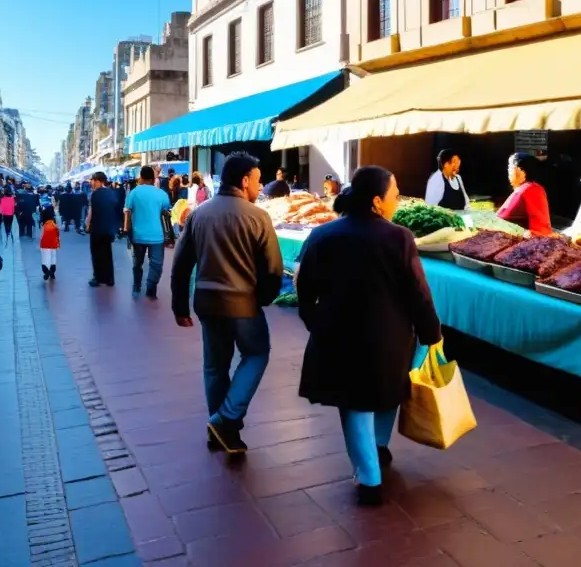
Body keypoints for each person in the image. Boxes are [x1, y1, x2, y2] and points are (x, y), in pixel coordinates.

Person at [296, 166, 442, 506]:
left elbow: (304, 288)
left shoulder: (323, 235)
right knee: (387, 392)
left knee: (355, 403)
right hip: (389, 337)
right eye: (394, 195)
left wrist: (315, 322)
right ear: (377, 201)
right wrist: (430, 331)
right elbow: (418, 292)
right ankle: (377, 453)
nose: (397, 201)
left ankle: (369, 473)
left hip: (339, 335)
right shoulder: (399, 237)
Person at [170, 152, 284, 454]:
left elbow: (181, 266)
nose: (260, 188)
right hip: (243, 302)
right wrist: (262, 299)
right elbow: (273, 270)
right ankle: (227, 418)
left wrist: (180, 307)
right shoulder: (258, 217)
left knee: (215, 366)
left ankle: (220, 430)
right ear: (245, 181)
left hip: (207, 301)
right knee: (257, 354)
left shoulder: (198, 214)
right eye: (258, 181)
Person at [125, 166, 172, 299]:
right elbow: (166, 209)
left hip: (138, 235)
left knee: (137, 263)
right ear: (153, 178)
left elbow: (127, 211)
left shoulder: (133, 193)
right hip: (157, 235)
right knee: (156, 264)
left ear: (141, 177)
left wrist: (126, 229)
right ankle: (151, 288)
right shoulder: (161, 194)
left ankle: (136, 286)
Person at [496, 153, 552, 236]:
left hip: (530, 243)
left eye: (510, 167)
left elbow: (541, 228)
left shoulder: (530, 189)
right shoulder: (527, 188)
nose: (508, 171)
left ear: (520, 170)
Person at [85, 172, 118, 287]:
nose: (92, 183)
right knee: (107, 253)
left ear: (99, 181)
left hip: (97, 228)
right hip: (109, 228)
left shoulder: (95, 194)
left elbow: (91, 211)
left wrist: (87, 224)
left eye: (93, 181)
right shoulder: (112, 193)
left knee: (96, 254)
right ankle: (109, 279)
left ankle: (98, 278)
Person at [40, 208, 61, 281]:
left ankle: (46, 271)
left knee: (45, 258)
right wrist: (58, 243)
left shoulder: (44, 224)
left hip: (45, 245)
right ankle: (52, 271)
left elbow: (42, 235)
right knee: (53, 257)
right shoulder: (54, 224)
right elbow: (58, 235)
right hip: (53, 244)